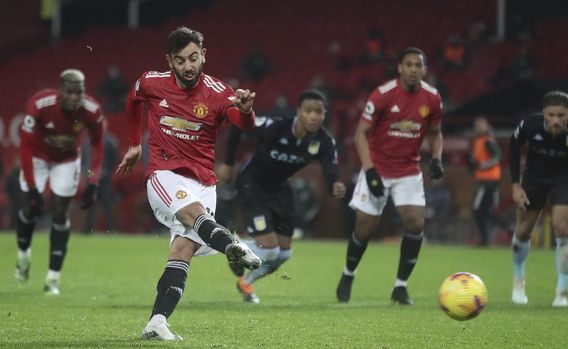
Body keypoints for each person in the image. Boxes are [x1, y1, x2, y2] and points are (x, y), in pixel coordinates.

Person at [116, 26, 262, 341]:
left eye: (194, 58)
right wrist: (134, 144)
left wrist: (247, 112)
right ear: (170, 61)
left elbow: (242, 123)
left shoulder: (218, 92)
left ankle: (156, 322)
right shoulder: (153, 82)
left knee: (183, 248)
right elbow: (133, 99)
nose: (188, 66)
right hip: (163, 174)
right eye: (181, 60)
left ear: (203, 56)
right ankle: (232, 246)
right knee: (194, 216)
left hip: (203, 182)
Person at [335, 47, 444, 305]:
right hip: (378, 167)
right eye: (409, 65)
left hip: (408, 170)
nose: (414, 69)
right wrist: (370, 170)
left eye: (418, 65)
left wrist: (437, 157)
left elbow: (436, 132)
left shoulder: (432, 98)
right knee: (364, 229)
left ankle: (400, 287)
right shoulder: (383, 95)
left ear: (424, 70)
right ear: (400, 68)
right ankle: (348, 275)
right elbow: (360, 133)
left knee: (415, 223)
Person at [219, 89, 346, 304]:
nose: (314, 116)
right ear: (299, 112)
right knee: (270, 250)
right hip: (253, 185)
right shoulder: (275, 128)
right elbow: (239, 124)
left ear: (324, 115)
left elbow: (330, 168)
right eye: (308, 111)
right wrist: (228, 164)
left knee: (284, 254)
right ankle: (235, 246)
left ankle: (245, 280)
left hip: (280, 190)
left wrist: (335, 184)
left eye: (319, 112)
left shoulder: (323, 141)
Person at [14, 69, 104, 295]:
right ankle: (23, 254)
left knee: (60, 213)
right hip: (37, 158)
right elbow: (24, 146)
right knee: (29, 208)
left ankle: (53, 278)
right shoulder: (40, 105)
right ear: (60, 91)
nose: (75, 97)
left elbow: (97, 146)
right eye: (70, 92)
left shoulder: (91, 111)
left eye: (79, 92)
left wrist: (93, 182)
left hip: (66, 161)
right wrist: (34, 189)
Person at [509, 91, 568, 307]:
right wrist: (515, 185)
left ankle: (562, 292)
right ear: (544, 113)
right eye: (551, 115)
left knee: (561, 227)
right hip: (534, 178)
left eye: (561, 115)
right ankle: (518, 281)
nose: (556, 120)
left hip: (564, 179)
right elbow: (512, 148)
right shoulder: (530, 125)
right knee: (522, 231)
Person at [469, 116, 508, 246]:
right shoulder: (478, 141)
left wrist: (482, 165)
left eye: (481, 125)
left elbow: (498, 156)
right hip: (484, 180)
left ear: (486, 126)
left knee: (478, 211)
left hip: (488, 181)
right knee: (484, 212)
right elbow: (475, 163)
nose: (478, 128)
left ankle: (488, 237)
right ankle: (503, 229)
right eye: (477, 125)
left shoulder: (487, 141)